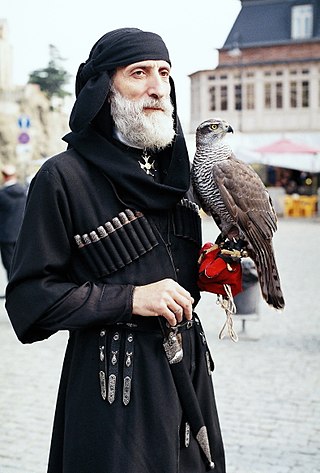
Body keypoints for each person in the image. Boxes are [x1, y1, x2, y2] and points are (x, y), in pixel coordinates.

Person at [6, 28, 225, 473]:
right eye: (138, 73)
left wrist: (211, 268)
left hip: (187, 374)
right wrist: (130, 298)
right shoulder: (63, 177)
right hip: (114, 385)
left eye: (164, 73)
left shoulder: (179, 175)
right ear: (105, 88)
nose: (156, 87)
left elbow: (174, 270)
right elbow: (29, 303)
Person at [0, 164, 26, 279]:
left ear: (4, 176)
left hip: (6, 235)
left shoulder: (2, 194)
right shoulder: (25, 191)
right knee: (22, 264)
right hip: (22, 233)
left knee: (9, 265)